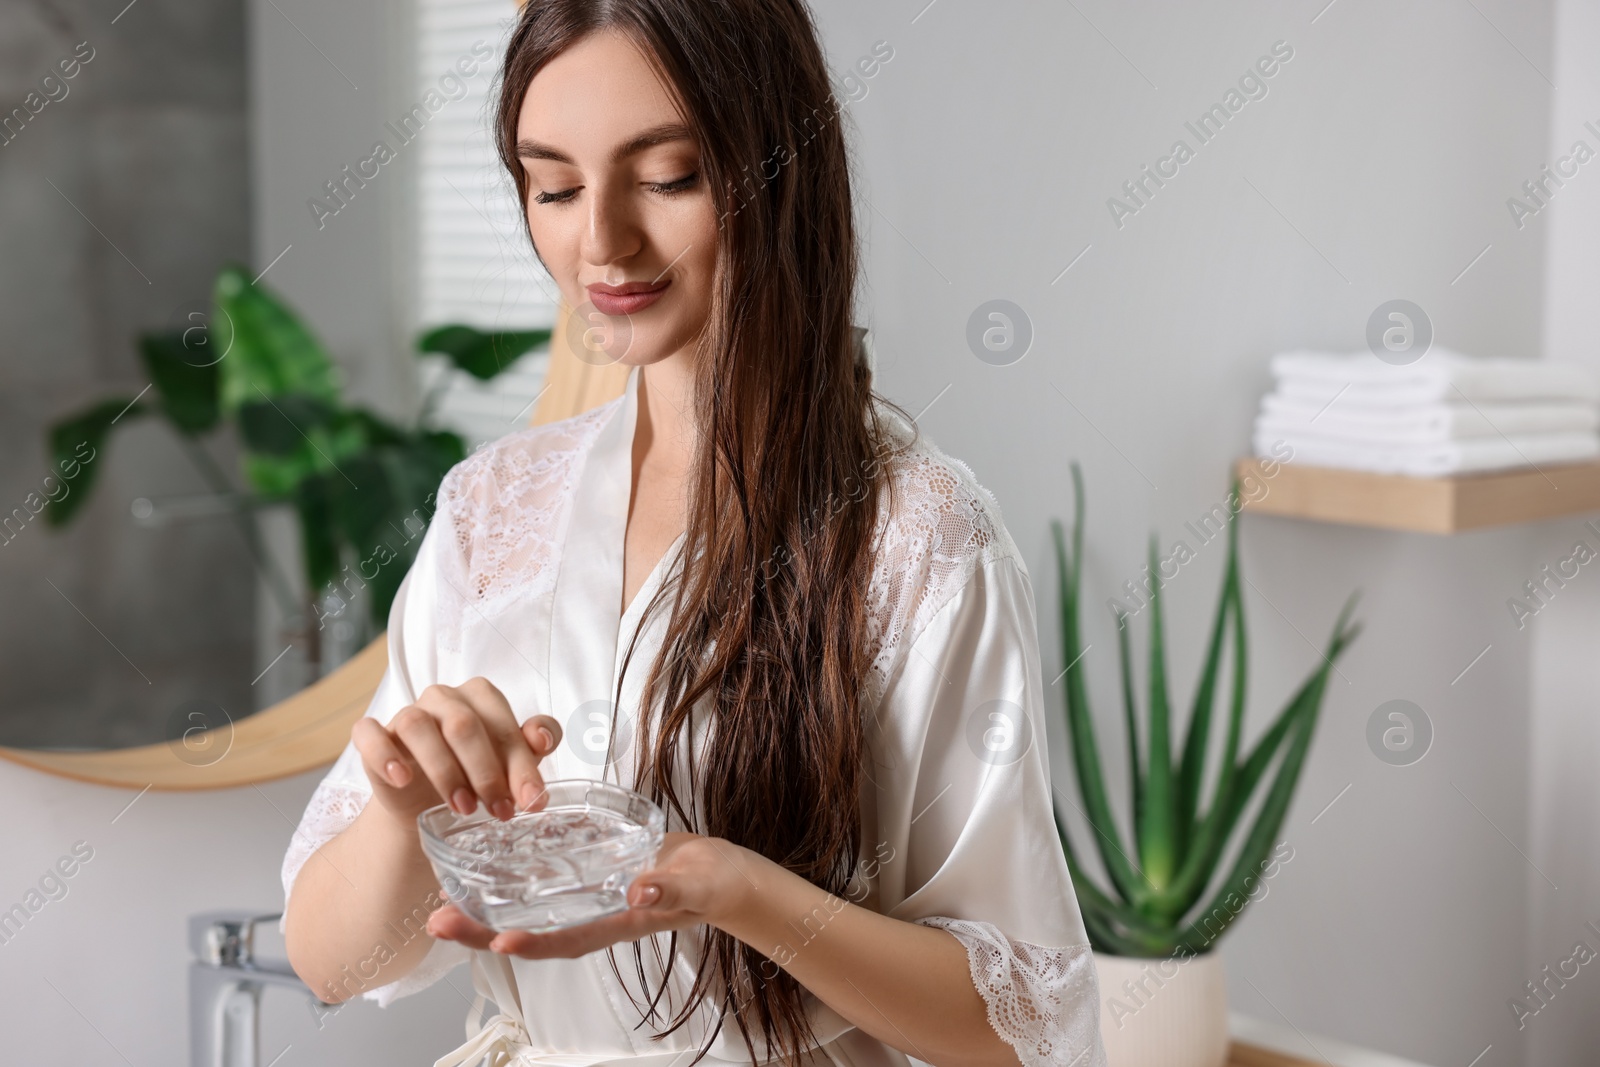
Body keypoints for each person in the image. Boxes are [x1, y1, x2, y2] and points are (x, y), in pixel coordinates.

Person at [281, 2, 1106, 1064]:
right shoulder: (492, 510)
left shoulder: (913, 535)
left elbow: (1020, 1022)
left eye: (668, 176)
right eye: (555, 186)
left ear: (778, 171)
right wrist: (404, 811)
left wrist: (736, 889)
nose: (601, 242)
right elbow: (331, 961)